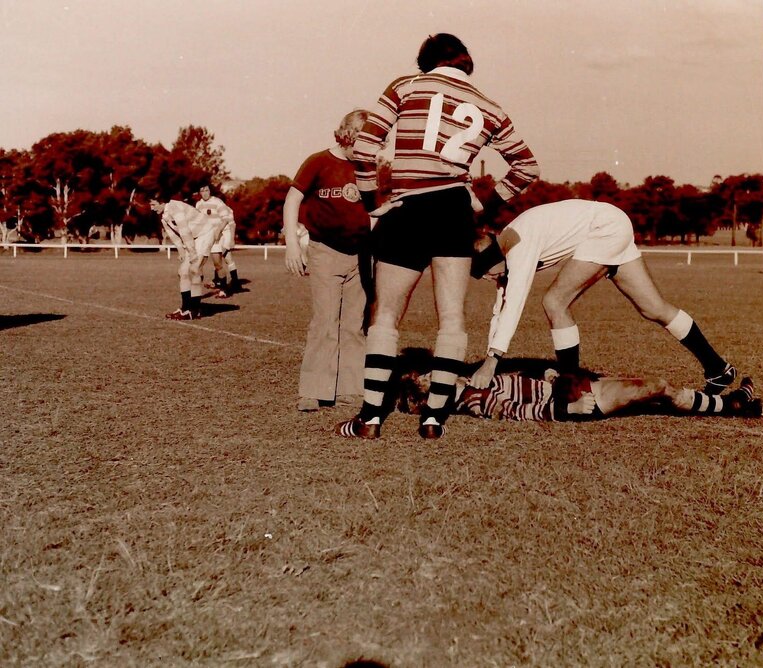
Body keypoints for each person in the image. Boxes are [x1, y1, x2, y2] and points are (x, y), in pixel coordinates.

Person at [336, 33, 540, 440]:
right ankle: (432, 421)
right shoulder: (490, 106)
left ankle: (370, 418)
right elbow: (526, 167)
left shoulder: (406, 85)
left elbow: (364, 148)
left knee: (386, 317)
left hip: (408, 209)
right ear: (465, 64)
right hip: (454, 213)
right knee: (452, 320)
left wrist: (372, 200)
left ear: (424, 62)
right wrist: (481, 204)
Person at [468, 199, 737, 393]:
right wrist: (487, 358)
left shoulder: (517, 246)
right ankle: (719, 369)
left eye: (489, 275)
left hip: (604, 229)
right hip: (612, 222)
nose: (492, 280)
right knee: (653, 308)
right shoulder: (503, 248)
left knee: (554, 301)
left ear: (492, 261)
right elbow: (500, 306)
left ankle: (571, 384)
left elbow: (514, 303)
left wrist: (491, 363)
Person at [283, 109, 373, 411]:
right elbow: (292, 199)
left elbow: (375, 209)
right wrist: (292, 244)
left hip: (360, 254)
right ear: (349, 136)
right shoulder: (318, 162)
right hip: (325, 252)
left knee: (354, 325)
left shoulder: (367, 167)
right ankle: (314, 389)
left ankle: (351, 388)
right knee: (325, 321)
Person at [396, 365, 762, 422]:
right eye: (430, 377)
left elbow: (518, 385)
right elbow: (514, 411)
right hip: (573, 400)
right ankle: (730, 405)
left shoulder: (472, 381)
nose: (437, 371)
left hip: (567, 387)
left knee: (653, 388)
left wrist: (546, 376)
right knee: (656, 388)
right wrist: (563, 409)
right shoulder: (474, 398)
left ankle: (728, 403)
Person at [151, 197, 226, 320]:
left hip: (205, 234)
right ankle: (185, 308)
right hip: (193, 238)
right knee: (182, 272)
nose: (151, 208)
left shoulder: (175, 208)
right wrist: (180, 250)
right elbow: (173, 234)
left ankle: (195, 310)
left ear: (162, 201)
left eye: (153, 204)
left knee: (195, 269)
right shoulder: (164, 216)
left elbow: (185, 231)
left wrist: (191, 253)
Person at [195, 184, 240, 297]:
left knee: (218, 264)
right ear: (199, 193)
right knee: (198, 264)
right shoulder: (198, 205)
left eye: (206, 190)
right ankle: (196, 292)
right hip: (204, 237)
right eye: (202, 191)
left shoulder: (218, 202)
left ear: (210, 191)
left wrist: (218, 231)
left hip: (216, 237)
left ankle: (223, 290)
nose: (205, 193)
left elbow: (226, 219)